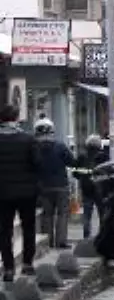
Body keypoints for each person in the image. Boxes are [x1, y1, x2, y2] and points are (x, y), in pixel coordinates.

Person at [0, 104, 40, 282]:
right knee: (28, 228)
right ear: (16, 118)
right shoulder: (28, 139)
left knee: (5, 231)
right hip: (27, 193)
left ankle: (8, 268)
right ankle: (27, 264)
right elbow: (37, 163)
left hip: (3, 193)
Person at [33, 119, 75, 249]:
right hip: (61, 185)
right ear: (52, 131)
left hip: (43, 187)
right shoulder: (60, 146)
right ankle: (61, 241)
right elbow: (71, 161)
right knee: (62, 214)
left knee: (47, 215)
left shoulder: (34, 148)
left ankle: (48, 242)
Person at [72, 135, 105, 240]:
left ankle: (86, 237)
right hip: (100, 189)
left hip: (86, 188)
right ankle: (103, 236)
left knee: (87, 214)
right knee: (102, 214)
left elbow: (75, 172)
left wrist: (82, 178)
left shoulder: (82, 156)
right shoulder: (103, 156)